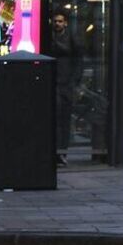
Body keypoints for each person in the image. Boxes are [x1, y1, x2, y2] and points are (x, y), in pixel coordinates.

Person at [47, 11, 79, 166]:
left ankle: (62, 152)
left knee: (64, 120)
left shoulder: (70, 39)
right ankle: (56, 152)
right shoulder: (49, 37)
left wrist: (75, 81)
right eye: (55, 21)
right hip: (55, 83)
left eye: (60, 21)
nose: (57, 24)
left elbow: (77, 58)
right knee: (55, 119)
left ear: (65, 23)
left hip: (66, 83)